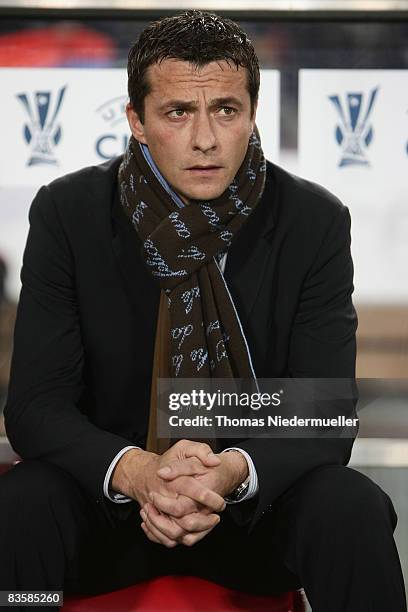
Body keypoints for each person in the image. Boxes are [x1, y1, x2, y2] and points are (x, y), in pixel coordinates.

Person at [1, 10, 406, 612]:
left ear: (251, 114)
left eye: (225, 110)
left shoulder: (312, 221)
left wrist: (230, 472)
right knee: (24, 501)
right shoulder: (69, 213)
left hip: (248, 511)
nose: (205, 140)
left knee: (350, 504)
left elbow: (326, 408)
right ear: (136, 121)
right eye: (177, 113)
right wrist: (138, 473)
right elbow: (35, 407)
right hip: (115, 507)